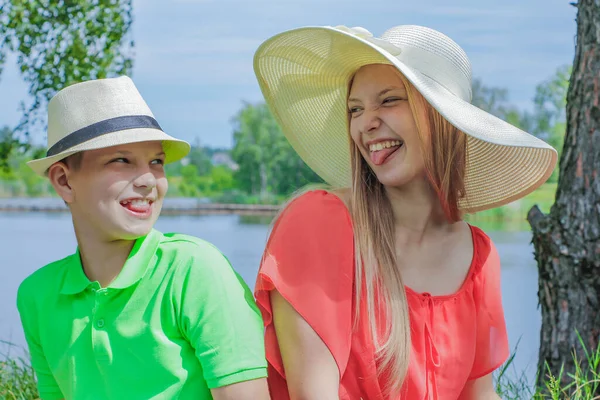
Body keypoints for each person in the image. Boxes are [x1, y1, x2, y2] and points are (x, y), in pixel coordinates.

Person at [252, 24, 557, 399]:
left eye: (389, 100)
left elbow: (480, 395)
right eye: (355, 109)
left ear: (444, 120)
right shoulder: (318, 223)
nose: (366, 123)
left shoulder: (479, 257)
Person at [17, 76, 270, 400]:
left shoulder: (194, 271)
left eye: (157, 162)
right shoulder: (37, 295)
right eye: (121, 160)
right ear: (65, 181)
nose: (149, 180)